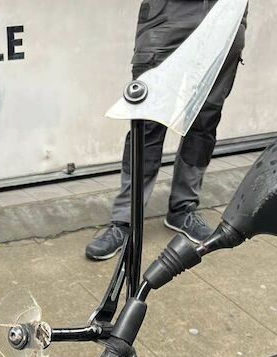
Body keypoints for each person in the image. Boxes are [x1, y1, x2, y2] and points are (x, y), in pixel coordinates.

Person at [86, 0, 247, 261]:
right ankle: (125, 220)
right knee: (147, 119)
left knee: (205, 120)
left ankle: (183, 209)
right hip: (168, 15)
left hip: (226, 13)